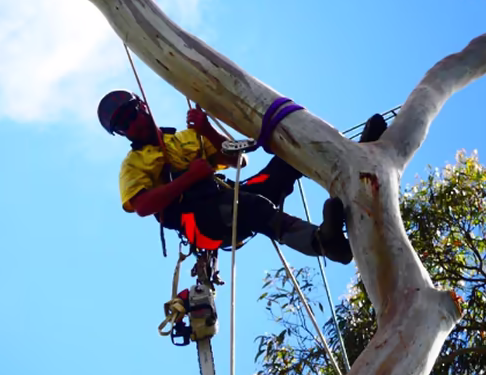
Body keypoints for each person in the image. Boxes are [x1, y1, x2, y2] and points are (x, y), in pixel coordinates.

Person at [98, 90, 387, 263]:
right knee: (253, 208)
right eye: (123, 125)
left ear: (143, 106)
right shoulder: (134, 163)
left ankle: (352, 163)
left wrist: (206, 130)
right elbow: (143, 206)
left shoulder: (185, 138)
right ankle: (322, 242)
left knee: (288, 160)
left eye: (131, 114)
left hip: (234, 193)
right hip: (201, 220)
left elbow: (239, 159)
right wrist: (187, 179)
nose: (132, 125)